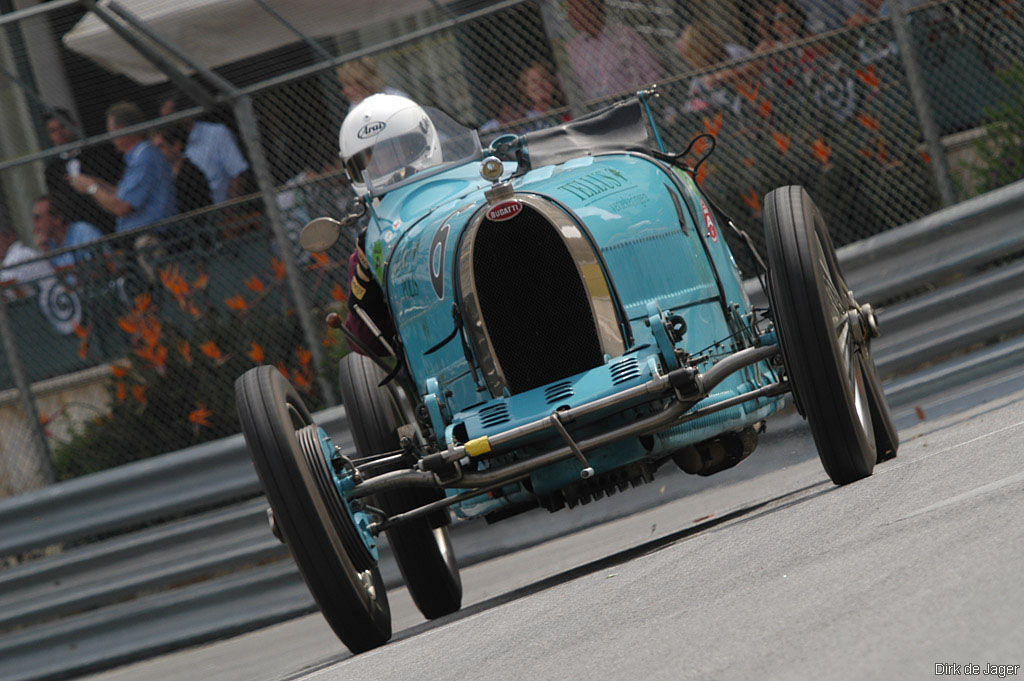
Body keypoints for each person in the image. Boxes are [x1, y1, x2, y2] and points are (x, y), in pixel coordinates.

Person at [338, 95, 439, 356]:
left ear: (420, 143)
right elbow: (366, 341)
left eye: (398, 151)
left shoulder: (465, 192)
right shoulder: (371, 245)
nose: (389, 167)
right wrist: (367, 268)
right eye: (374, 161)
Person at [68, 101, 176, 234]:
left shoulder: (144, 157)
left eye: (111, 131)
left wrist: (91, 187)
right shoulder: (137, 156)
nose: (110, 136)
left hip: (153, 236)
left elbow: (121, 207)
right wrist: (94, 183)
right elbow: (123, 195)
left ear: (122, 130)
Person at [158, 93, 250, 204]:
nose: (168, 125)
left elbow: (237, 172)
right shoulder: (165, 145)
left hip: (218, 208)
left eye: (170, 118)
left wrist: (230, 211)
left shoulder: (216, 133)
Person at [42, 109, 123, 234]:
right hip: (78, 230)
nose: (60, 133)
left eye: (63, 126)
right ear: (49, 136)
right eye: (53, 131)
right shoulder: (52, 171)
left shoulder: (99, 153)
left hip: (109, 220)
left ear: (74, 125)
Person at [564, 0, 664, 101]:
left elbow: (652, 72)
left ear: (590, 8)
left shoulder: (623, 35)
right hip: (598, 109)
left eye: (573, 9)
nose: (568, 16)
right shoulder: (573, 49)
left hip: (632, 101)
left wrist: (651, 101)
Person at [151, 125, 213, 215]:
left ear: (176, 146)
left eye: (161, 147)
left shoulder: (190, 173)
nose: (157, 152)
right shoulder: (163, 175)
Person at [31, 195, 103, 269]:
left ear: (57, 219)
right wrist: (45, 250)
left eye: (38, 218)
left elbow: (98, 267)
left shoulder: (83, 231)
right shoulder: (50, 245)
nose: (34, 222)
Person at [517, 62, 570, 132]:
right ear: (526, 90)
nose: (540, 84)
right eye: (534, 81)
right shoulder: (526, 122)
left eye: (544, 78)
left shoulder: (565, 111)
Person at [336, 57, 410, 106]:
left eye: (349, 84)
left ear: (365, 82)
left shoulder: (397, 99)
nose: (345, 91)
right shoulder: (355, 107)